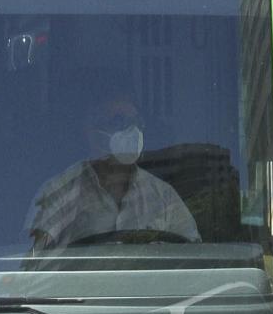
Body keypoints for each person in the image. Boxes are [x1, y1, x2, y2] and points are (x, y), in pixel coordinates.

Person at [26, 88, 200, 251]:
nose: (132, 130)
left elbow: (193, 256)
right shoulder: (58, 193)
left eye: (137, 122)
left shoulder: (163, 196)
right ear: (92, 131)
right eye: (119, 122)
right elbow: (33, 261)